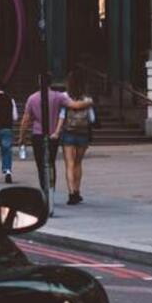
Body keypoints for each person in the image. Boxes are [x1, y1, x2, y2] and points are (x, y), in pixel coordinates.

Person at [17, 77, 72, 192]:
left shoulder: (32, 98)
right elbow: (71, 105)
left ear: (39, 83)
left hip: (38, 135)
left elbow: (26, 119)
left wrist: (22, 137)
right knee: (51, 162)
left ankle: (44, 187)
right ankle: (51, 187)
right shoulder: (58, 97)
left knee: (40, 164)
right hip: (53, 135)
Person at [55, 69, 97, 205]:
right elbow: (92, 118)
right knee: (78, 163)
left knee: (69, 164)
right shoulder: (87, 99)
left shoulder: (64, 96)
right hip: (83, 133)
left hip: (68, 132)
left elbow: (61, 115)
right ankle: (78, 191)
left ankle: (71, 192)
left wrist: (57, 131)